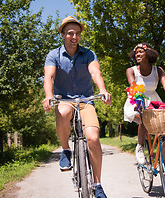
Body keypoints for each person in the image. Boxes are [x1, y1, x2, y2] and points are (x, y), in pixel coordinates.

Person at [42, 16, 112, 198]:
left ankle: (97, 185)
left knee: (93, 139)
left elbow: (95, 72)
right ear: (63, 34)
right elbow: (49, 77)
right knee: (63, 112)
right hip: (64, 99)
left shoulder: (88, 53)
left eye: (77, 33)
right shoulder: (53, 55)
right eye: (70, 33)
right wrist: (49, 96)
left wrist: (102, 89)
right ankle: (66, 149)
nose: (74, 36)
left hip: (86, 100)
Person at [124, 42, 165, 165]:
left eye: (140, 52)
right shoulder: (131, 70)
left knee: (163, 133)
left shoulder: (157, 70)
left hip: (154, 101)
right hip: (137, 99)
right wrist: (139, 102)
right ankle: (140, 147)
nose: (137, 54)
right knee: (144, 118)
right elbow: (133, 86)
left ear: (148, 53)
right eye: (136, 52)